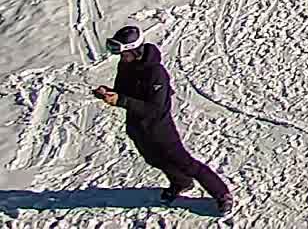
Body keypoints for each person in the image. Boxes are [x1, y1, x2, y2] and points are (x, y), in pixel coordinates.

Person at [93, 26, 232, 215]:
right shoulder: (125, 65)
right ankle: (181, 182)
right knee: (154, 159)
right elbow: (123, 91)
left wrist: (122, 100)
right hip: (137, 127)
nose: (120, 57)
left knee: (185, 163)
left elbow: (155, 108)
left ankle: (221, 194)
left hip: (160, 129)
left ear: (135, 50)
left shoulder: (156, 73)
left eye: (123, 53)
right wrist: (109, 93)